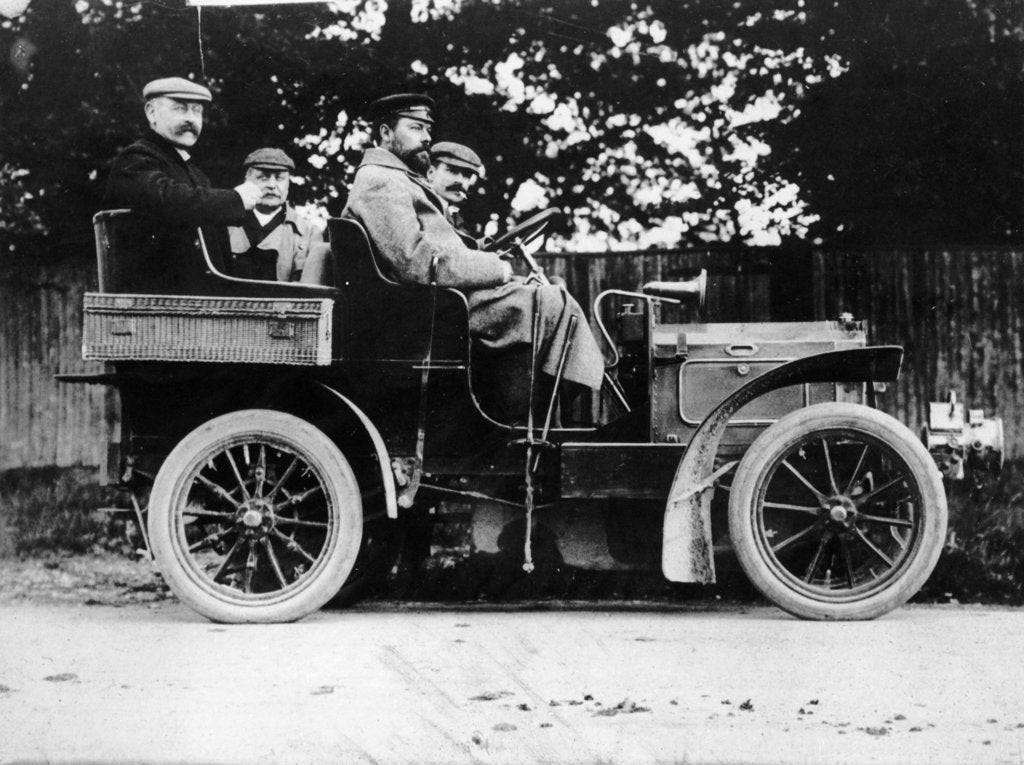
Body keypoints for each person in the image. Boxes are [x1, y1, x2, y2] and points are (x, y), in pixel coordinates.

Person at [343, 93, 605, 419]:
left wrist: (484, 255)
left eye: (428, 129)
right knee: (550, 302)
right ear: (385, 132)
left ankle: (543, 418)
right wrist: (497, 270)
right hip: (428, 310)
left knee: (551, 297)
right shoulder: (380, 180)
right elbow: (415, 260)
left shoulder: (396, 178)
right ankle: (525, 423)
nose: (426, 137)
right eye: (415, 127)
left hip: (438, 303)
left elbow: (433, 247)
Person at [103, 77, 262, 290]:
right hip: (149, 303)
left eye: (197, 111)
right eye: (180, 109)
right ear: (151, 113)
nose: (191, 118)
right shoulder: (135, 159)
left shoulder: (195, 174)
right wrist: (235, 199)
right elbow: (168, 200)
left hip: (194, 302)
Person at [226, 147, 328, 282]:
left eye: (279, 178)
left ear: (288, 183)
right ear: (247, 180)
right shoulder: (226, 224)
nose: (272, 185)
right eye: (263, 178)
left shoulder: (309, 234)